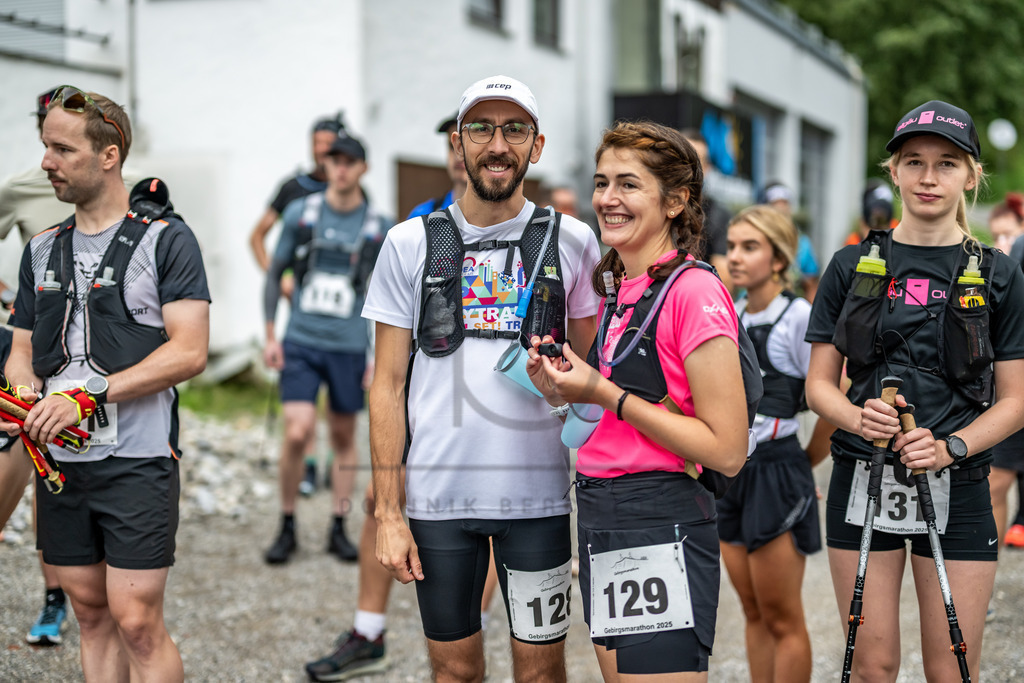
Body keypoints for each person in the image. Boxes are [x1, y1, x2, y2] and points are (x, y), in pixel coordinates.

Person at [362, 75, 601, 683]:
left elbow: (594, 373)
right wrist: (389, 513)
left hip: (539, 500)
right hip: (438, 500)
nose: (498, 145)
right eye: (481, 129)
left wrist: (566, 388)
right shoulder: (407, 243)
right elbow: (386, 386)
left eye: (515, 130)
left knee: (542, 675)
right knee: (454, 671)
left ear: (537, 146)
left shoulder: (574, 241)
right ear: (458, 142)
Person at [805, 100, 1024, 681]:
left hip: (961, 480)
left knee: (951, 668)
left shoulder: (1000, 273)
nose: (929, 177)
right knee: (872, 667)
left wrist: (952, 447)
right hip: (863, 474)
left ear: (971, 175)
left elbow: (1017, 400)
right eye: (914, 162)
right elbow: (819, 387)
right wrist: (857, 418)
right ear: (894, 171)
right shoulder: (850, 264)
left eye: (947, 163)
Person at [2, 85, 209, 681]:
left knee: (137, 621)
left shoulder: (167, 240)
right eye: (46, 147)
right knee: (91, 616)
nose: (47, 162)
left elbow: (190, 351)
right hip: (62, 464)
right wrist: (25, 394)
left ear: (109, 155)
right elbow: (21, 352)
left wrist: (86, 395)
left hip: (138, 460)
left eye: (63, 150)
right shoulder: (40, 249)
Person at [528, 121, 749, 679]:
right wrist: (562, 390)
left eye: (628, 184)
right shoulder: (620, 287)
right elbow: (619, 414)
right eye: (602, 182)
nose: (608, 198)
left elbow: (727, 450)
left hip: (659, 515)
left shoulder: (693, 290)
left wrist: (604, 392)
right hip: (601, 510)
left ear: (675, 201)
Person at [304, 112, 474, 681]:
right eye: (452, 146)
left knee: (482, 517)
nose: (460, 156)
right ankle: (368, 631)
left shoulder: (519, 226)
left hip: (480, 406)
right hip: (418, 393)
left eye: (467, 144)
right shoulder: (420, 223)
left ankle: (467, 632)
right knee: (381, 500)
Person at [262, 129, 390, 565]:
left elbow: (387, 297)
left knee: (342, 434)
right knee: (297, 430)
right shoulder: (302, 213)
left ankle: (338, 525)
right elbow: (274, 271)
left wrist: (376, 357)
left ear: (363, 168)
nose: (340, 168)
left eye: (349, 161)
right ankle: (287, 523)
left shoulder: (378, 226)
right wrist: (270, 335)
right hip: (301, 340)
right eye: (334, 160)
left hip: (348, 346)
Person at [720, 204, 824, 681]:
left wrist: (803, 462)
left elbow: (835, 399)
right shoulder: (731, 311)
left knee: (783, 617)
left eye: (750, 247)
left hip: (778, 467)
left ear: (779, 259)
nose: (735, 257)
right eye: (731, 246)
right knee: (752, 610)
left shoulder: (798, 316)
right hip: (731, 470)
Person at [250, 113, 345, 496]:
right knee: (305, 387)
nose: (322, 152)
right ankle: (307, 464)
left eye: (329, 146)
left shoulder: (352, 191)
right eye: (316, 145)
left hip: (340, 311)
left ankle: (331, 461)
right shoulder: (293, 188)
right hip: (302, 306)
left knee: (336, 392)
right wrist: (280, 277)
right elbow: (257, 236)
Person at [988, 194, 1024, 554]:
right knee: (994, 484)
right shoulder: (999, 269)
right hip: (1009, 393)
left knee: (994, 482)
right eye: (996, 236)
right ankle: (985, 571)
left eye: (1008, 234)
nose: (1003, 243)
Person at [682, 129, 734, 294]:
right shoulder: (651, 205)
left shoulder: (718, 214)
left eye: (696, 162)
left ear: (707, 168)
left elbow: (724, 279)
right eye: (682, 159)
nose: (688, 168)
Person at [762, 181, 819, 302]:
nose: (782, 208)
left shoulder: (802, 243)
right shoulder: (754, 241)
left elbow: (811, 286)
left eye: (785, 203)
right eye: (775, 204)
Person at [844, 179, 896, 247]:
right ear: (862, 223)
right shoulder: (853, 244)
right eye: (873, 226)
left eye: (883, 223)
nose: (878, 235)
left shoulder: (897, 233)